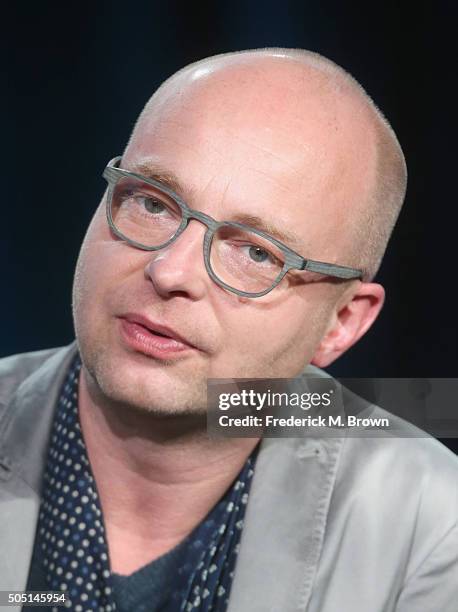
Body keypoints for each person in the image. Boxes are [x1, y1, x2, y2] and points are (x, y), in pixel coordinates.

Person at [0, 48, 456, 612]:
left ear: (341, 323)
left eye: (256, 253)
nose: (169, 271)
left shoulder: (431, 527)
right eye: (153, 202)